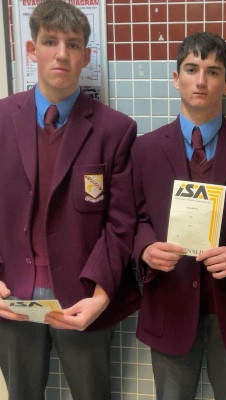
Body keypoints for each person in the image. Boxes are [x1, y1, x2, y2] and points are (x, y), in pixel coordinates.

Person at [0, 1, 140, 399]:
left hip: (83, 295)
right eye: (50, 42)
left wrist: (102, 294)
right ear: (32, 50)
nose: (61, 53)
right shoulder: (1, 119)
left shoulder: (115, 130)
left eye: (73, 44)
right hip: (11, 294)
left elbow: (121, 222)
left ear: (85, 56)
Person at [131, 32, 226, 400]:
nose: (201, 81)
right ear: (176, 78)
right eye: (191, 69)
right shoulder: (143, 149)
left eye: (213, 72)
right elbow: (133, 219)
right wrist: (146, 249)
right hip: (169, 307)